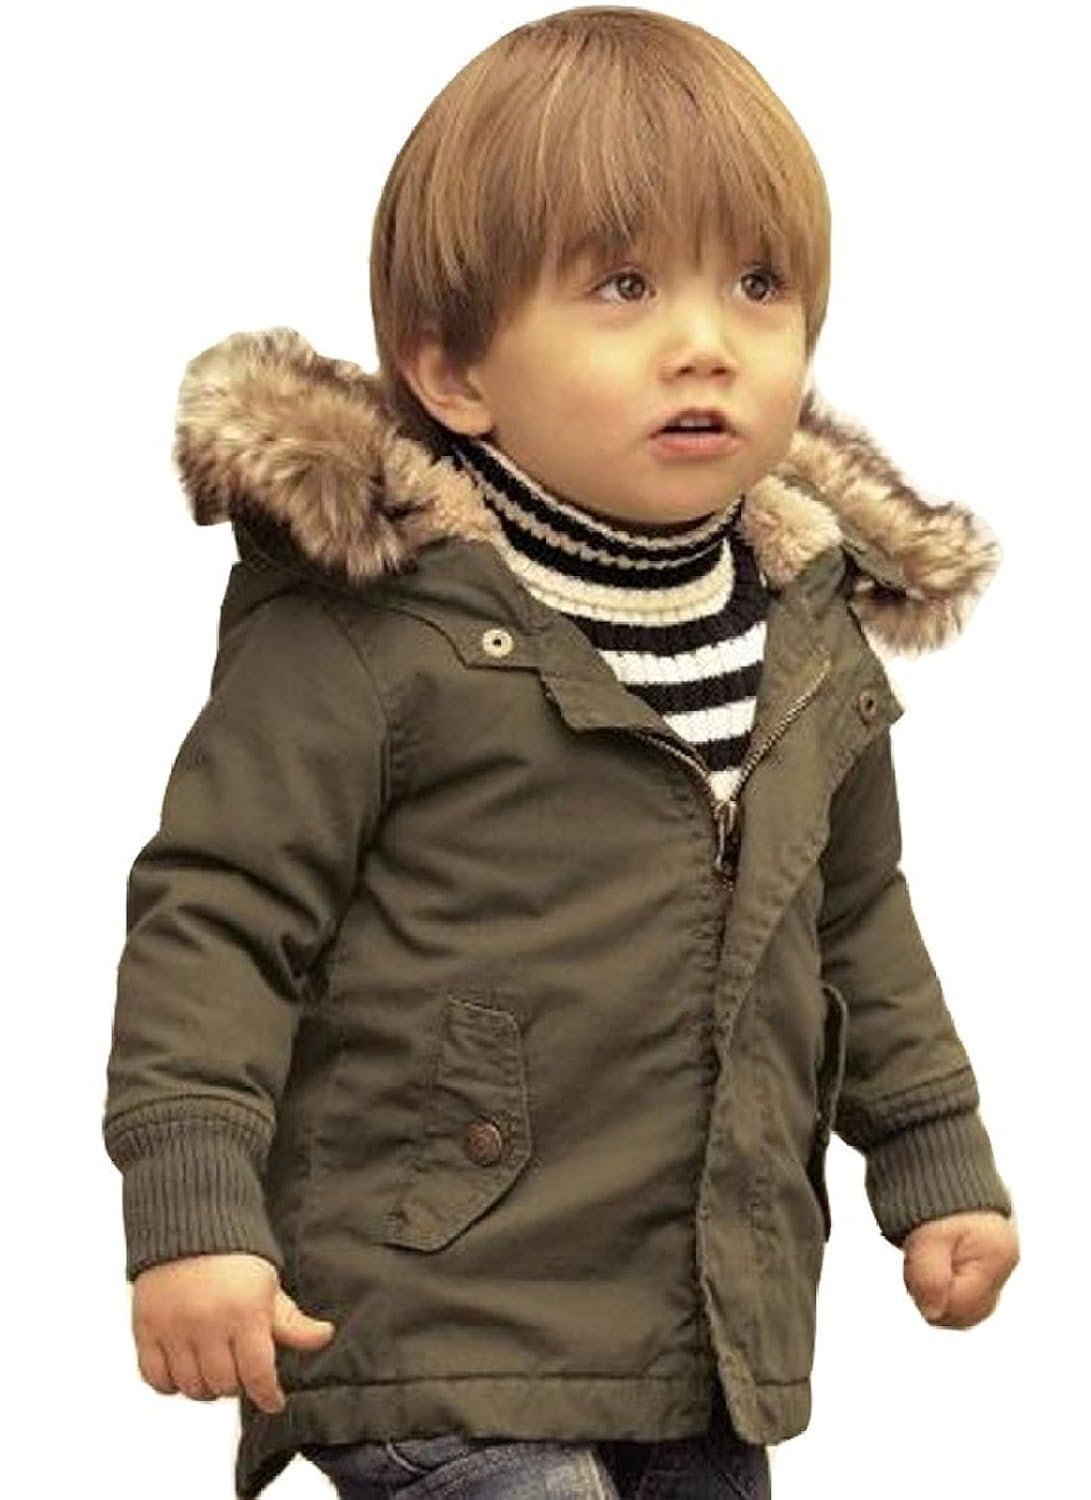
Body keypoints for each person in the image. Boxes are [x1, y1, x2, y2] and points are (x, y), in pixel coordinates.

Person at [102, 7, 1020, 1498]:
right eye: (625, 286)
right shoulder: (373, 629)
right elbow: (218, 914)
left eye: (758, 285)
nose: (705, 341)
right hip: (425, 1318)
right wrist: (194, 1210)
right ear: (455, 370)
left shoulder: (806, 637)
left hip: (701, 1336)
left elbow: (857, 922)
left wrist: (932, 1156)